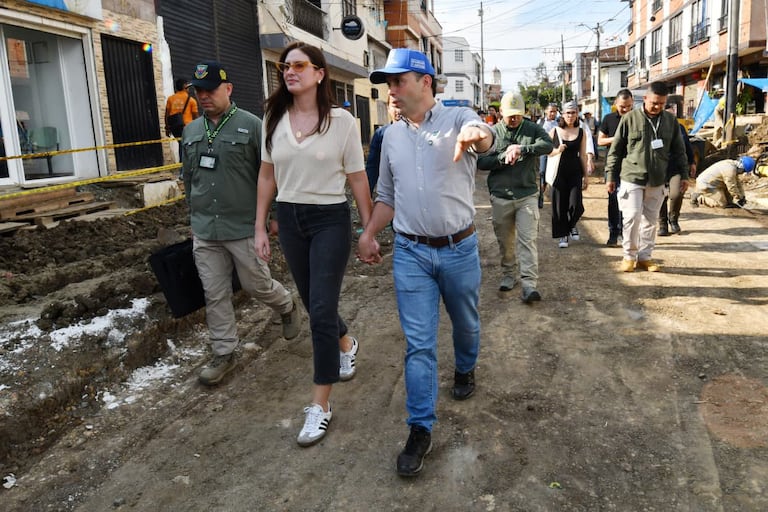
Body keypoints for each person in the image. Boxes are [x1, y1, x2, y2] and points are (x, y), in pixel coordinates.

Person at [357, 48, 494, 477]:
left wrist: (477, 135)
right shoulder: (389, 137)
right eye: (388, 83)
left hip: (459, 249)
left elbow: (484, 134)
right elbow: (387, 196)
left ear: (425, 82)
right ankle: (420, 428)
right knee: (419, 343)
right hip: (411, 253)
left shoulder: (458, 118)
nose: (391, 90)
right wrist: (368, 232)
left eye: (398, 81)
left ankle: (465, 368)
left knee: (466, 323)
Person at [254, 42, 373, 447]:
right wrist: (259, 226)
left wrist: (368, 230)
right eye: (284, 66)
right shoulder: (273, 118)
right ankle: (346, 343)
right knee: (313, 303)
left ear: (319, 73)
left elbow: (357, 178)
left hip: (329, 220)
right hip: (289, 219)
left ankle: (320, 405)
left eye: (299, 65)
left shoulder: (342, 122)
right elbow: (267, 175)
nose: (290, 71)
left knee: (320, 308)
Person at [182, 61, 300, 386]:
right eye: (199, 91)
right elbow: (188, 177)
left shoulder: (252, 126)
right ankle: (224, 352)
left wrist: (273, 215)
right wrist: (192, 215)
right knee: (214, 293)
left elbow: (271, 174)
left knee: (256, 285)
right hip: (205, 228)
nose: (204, 96)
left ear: (228, 89)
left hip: (244, 225)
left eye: (210, 90)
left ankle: (286, 305)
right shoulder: (191, 131)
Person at [604, 81, 688, 273]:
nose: (658, 107)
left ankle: (644, 257)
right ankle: (628, 256)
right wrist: (610, 176)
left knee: (650, 221)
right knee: (632, 217)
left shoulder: (670, 121)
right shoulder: (630, 119)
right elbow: (616, 151)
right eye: (654, 103)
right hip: (632, 176)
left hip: (657, 179)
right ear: (645, 99)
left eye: (662, 103)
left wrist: (684, 175)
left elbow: (679, 150)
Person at [477, 91, 553, 300]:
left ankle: (529, 284)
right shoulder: (493, 133)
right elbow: (481, 162)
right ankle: (509, 274)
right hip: (501, 196)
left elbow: (548, 145)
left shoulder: (532, 128)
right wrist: (502, 157)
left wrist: (523, 149)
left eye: (518, 114)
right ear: (501, 112)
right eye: (510, 115)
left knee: (528, 240)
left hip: (526, 194)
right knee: (505, 241)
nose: (514, 118)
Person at [546, 100, 589, 248]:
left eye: (573, 113)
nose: (571, 116)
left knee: (576, 204)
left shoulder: (581, 132)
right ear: (563, 115)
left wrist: (586, 176)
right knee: (559, 205)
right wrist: (557, 150)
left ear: (577, 114)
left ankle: (572, 225)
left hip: (575, 171)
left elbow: (582, 155)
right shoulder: (555, 131)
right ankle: (562, 235)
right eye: (568, 113)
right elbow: (546, 151)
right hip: (558, 171)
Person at [598, 89, 634, 246]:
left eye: (628, 106)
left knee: (630, 200)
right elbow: (600, 141)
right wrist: (617, 139)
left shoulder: (637, 119)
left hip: (632, 166)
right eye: (622, 106)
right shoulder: (609, 119)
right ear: (616, 104)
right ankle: (613, 233)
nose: (625, 109)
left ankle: (626, 233)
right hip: (613, 166)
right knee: (613, 199)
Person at [658, 104, 696, 236]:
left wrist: (692, 162)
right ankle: (662, 224)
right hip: (660, 168)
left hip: (676, 167)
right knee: (660, 195)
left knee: (677, 193)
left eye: (673, 115)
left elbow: (687, 146)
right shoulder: (656, 128)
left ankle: (673, 219)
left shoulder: (680, 128)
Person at [365, 95, 401, 196]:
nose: (398, 111)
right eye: (395, 106)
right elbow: (373, 167)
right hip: (389, 193)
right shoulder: (381, 134)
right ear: (388, 108)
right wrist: (367, 195)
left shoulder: (416, 133)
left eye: (401, 106)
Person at [165, 78, 199, 165]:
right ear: (185, 87)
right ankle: (184, 167)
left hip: (175, 127)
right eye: (188, 86)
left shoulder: (170, 99)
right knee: (187, 146)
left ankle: (184, 166)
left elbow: (167, 114)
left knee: (182, 144)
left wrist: (167, 128)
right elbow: (196, 116)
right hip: (187, 127)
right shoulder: (191, 100)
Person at [538, 103, 559, 209]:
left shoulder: (560, 122)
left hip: (556, 152)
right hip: (544, 152)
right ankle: (541, 196)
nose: (552, 113)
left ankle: (555, 198)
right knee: (542, 173)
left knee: (555, 174)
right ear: (546, 111)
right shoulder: (540, 122)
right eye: (551, 111)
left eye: (554, 111)